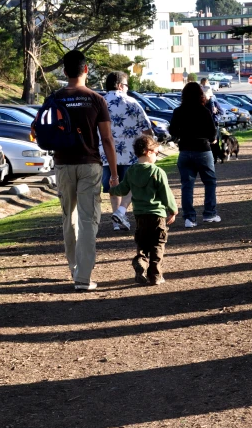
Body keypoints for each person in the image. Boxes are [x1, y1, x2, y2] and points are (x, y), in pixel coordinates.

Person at [50, 49, 118, 291]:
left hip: (62, 164)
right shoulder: (96, 100)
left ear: (65, 71)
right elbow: (107, 139)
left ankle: (74, 268)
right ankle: (83, 277)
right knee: (88, 219)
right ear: (86, 69)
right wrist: (115, 173)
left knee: (69, 218)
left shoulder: (55, 98)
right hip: (90, 164)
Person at [109, 135, 177, 286]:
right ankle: (155, 276)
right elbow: (166, 193)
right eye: (156, 152)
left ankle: (140, 261)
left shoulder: (132, 171)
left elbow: (122, 189)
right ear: (148, 152)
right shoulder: (157, 172)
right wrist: (173, 210)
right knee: (157, 244)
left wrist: (112, 188)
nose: (157, 155)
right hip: (157, 215)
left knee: (143, 242)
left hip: (139, 215)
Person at [101, 71, 153, 231]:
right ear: (119, 85)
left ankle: (117, 220)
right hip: (130, 153)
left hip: (106, 153)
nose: (126, 88)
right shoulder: (131, 102)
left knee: (113, 187)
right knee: (132, 186)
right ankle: (122, 212)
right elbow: (147, 128)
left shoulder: (100, 102)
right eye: (126, 86)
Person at [168, 81, 220, 228]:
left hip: (185, 151)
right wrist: (212, 140)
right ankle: (210, 213)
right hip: (203, 150)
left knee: (187, 185)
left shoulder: (178, 111)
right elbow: (212, 133)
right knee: (209, 182)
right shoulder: (204, 111)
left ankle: (189, 218)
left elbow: (172, 131)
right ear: (200, 95)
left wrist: (181, 135)